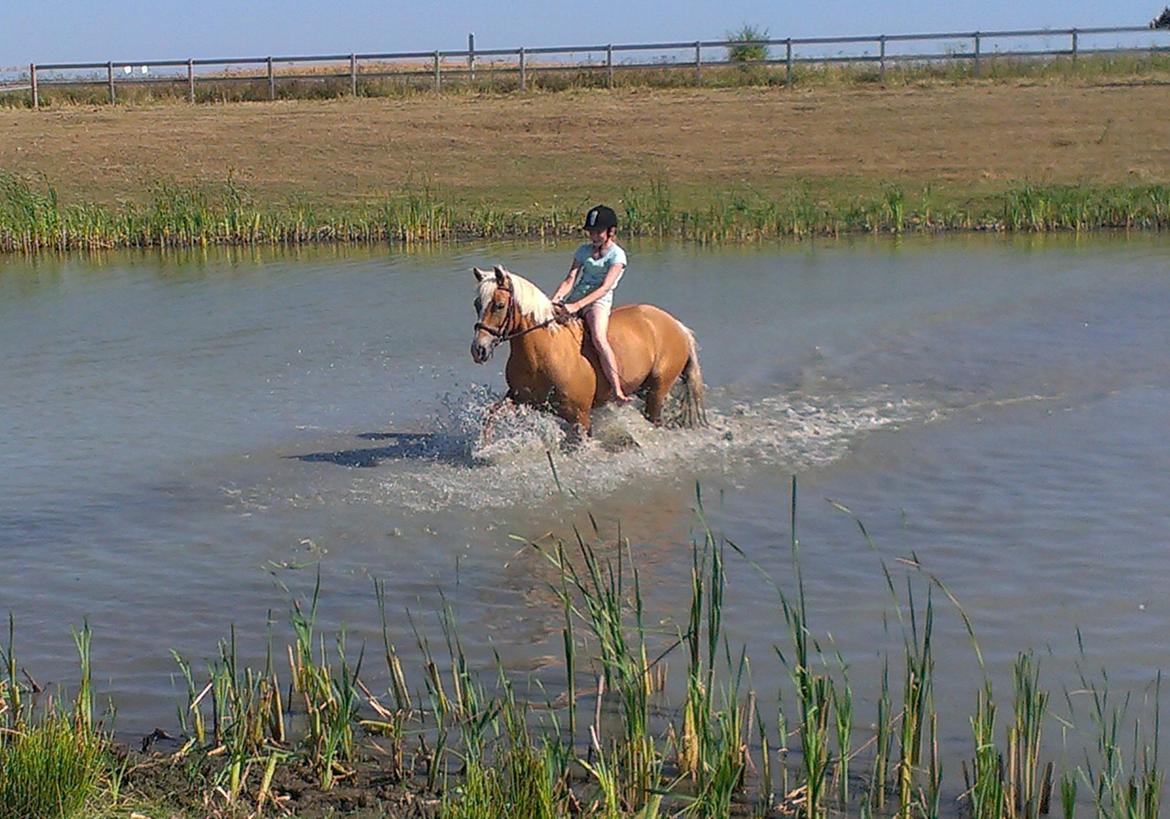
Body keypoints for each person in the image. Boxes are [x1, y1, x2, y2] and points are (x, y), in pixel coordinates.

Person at [550, 205, 632, 402]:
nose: (593, 236)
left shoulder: (617, 256)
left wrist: (577, 307)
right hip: (576, 296)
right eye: (591, 232)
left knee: (598, 337)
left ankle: (616, 388)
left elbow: (605, 287)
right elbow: (570, 279)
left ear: (611, 231)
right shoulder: (583, 251)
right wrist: (555, 300)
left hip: (598, 301)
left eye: (598, 232)